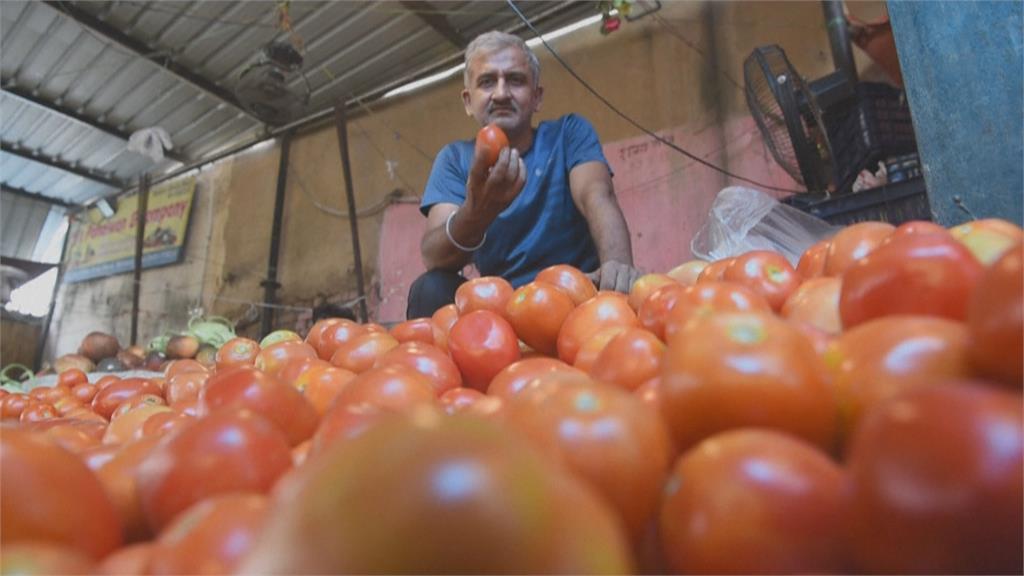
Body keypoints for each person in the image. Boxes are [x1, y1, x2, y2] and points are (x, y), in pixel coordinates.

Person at [408, 30, 640, 319]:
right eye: (487, 81)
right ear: (468, 101)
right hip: (506, 310)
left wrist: (618, 266)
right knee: (429, 288)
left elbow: (597, 195)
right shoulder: (454, 159)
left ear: (536, 97)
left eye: (515, 80)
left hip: (578, 295)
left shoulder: (568, 134)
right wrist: (478, 211)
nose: (502, 93)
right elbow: (435, 257)